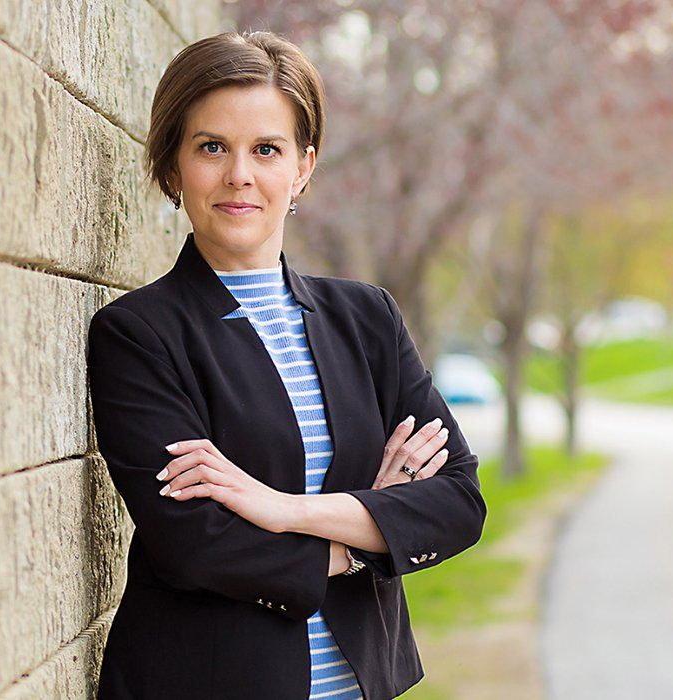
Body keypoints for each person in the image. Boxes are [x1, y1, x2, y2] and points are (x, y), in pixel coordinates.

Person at [86, 30, 488, 700]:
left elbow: (457, 502)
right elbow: (196, 545)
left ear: (302, 167)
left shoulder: (367, 319)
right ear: (174, 165)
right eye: (211, 147)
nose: (239, 175)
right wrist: (368, 530)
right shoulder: (138, 335)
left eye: (266, 149)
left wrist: (281, 509)